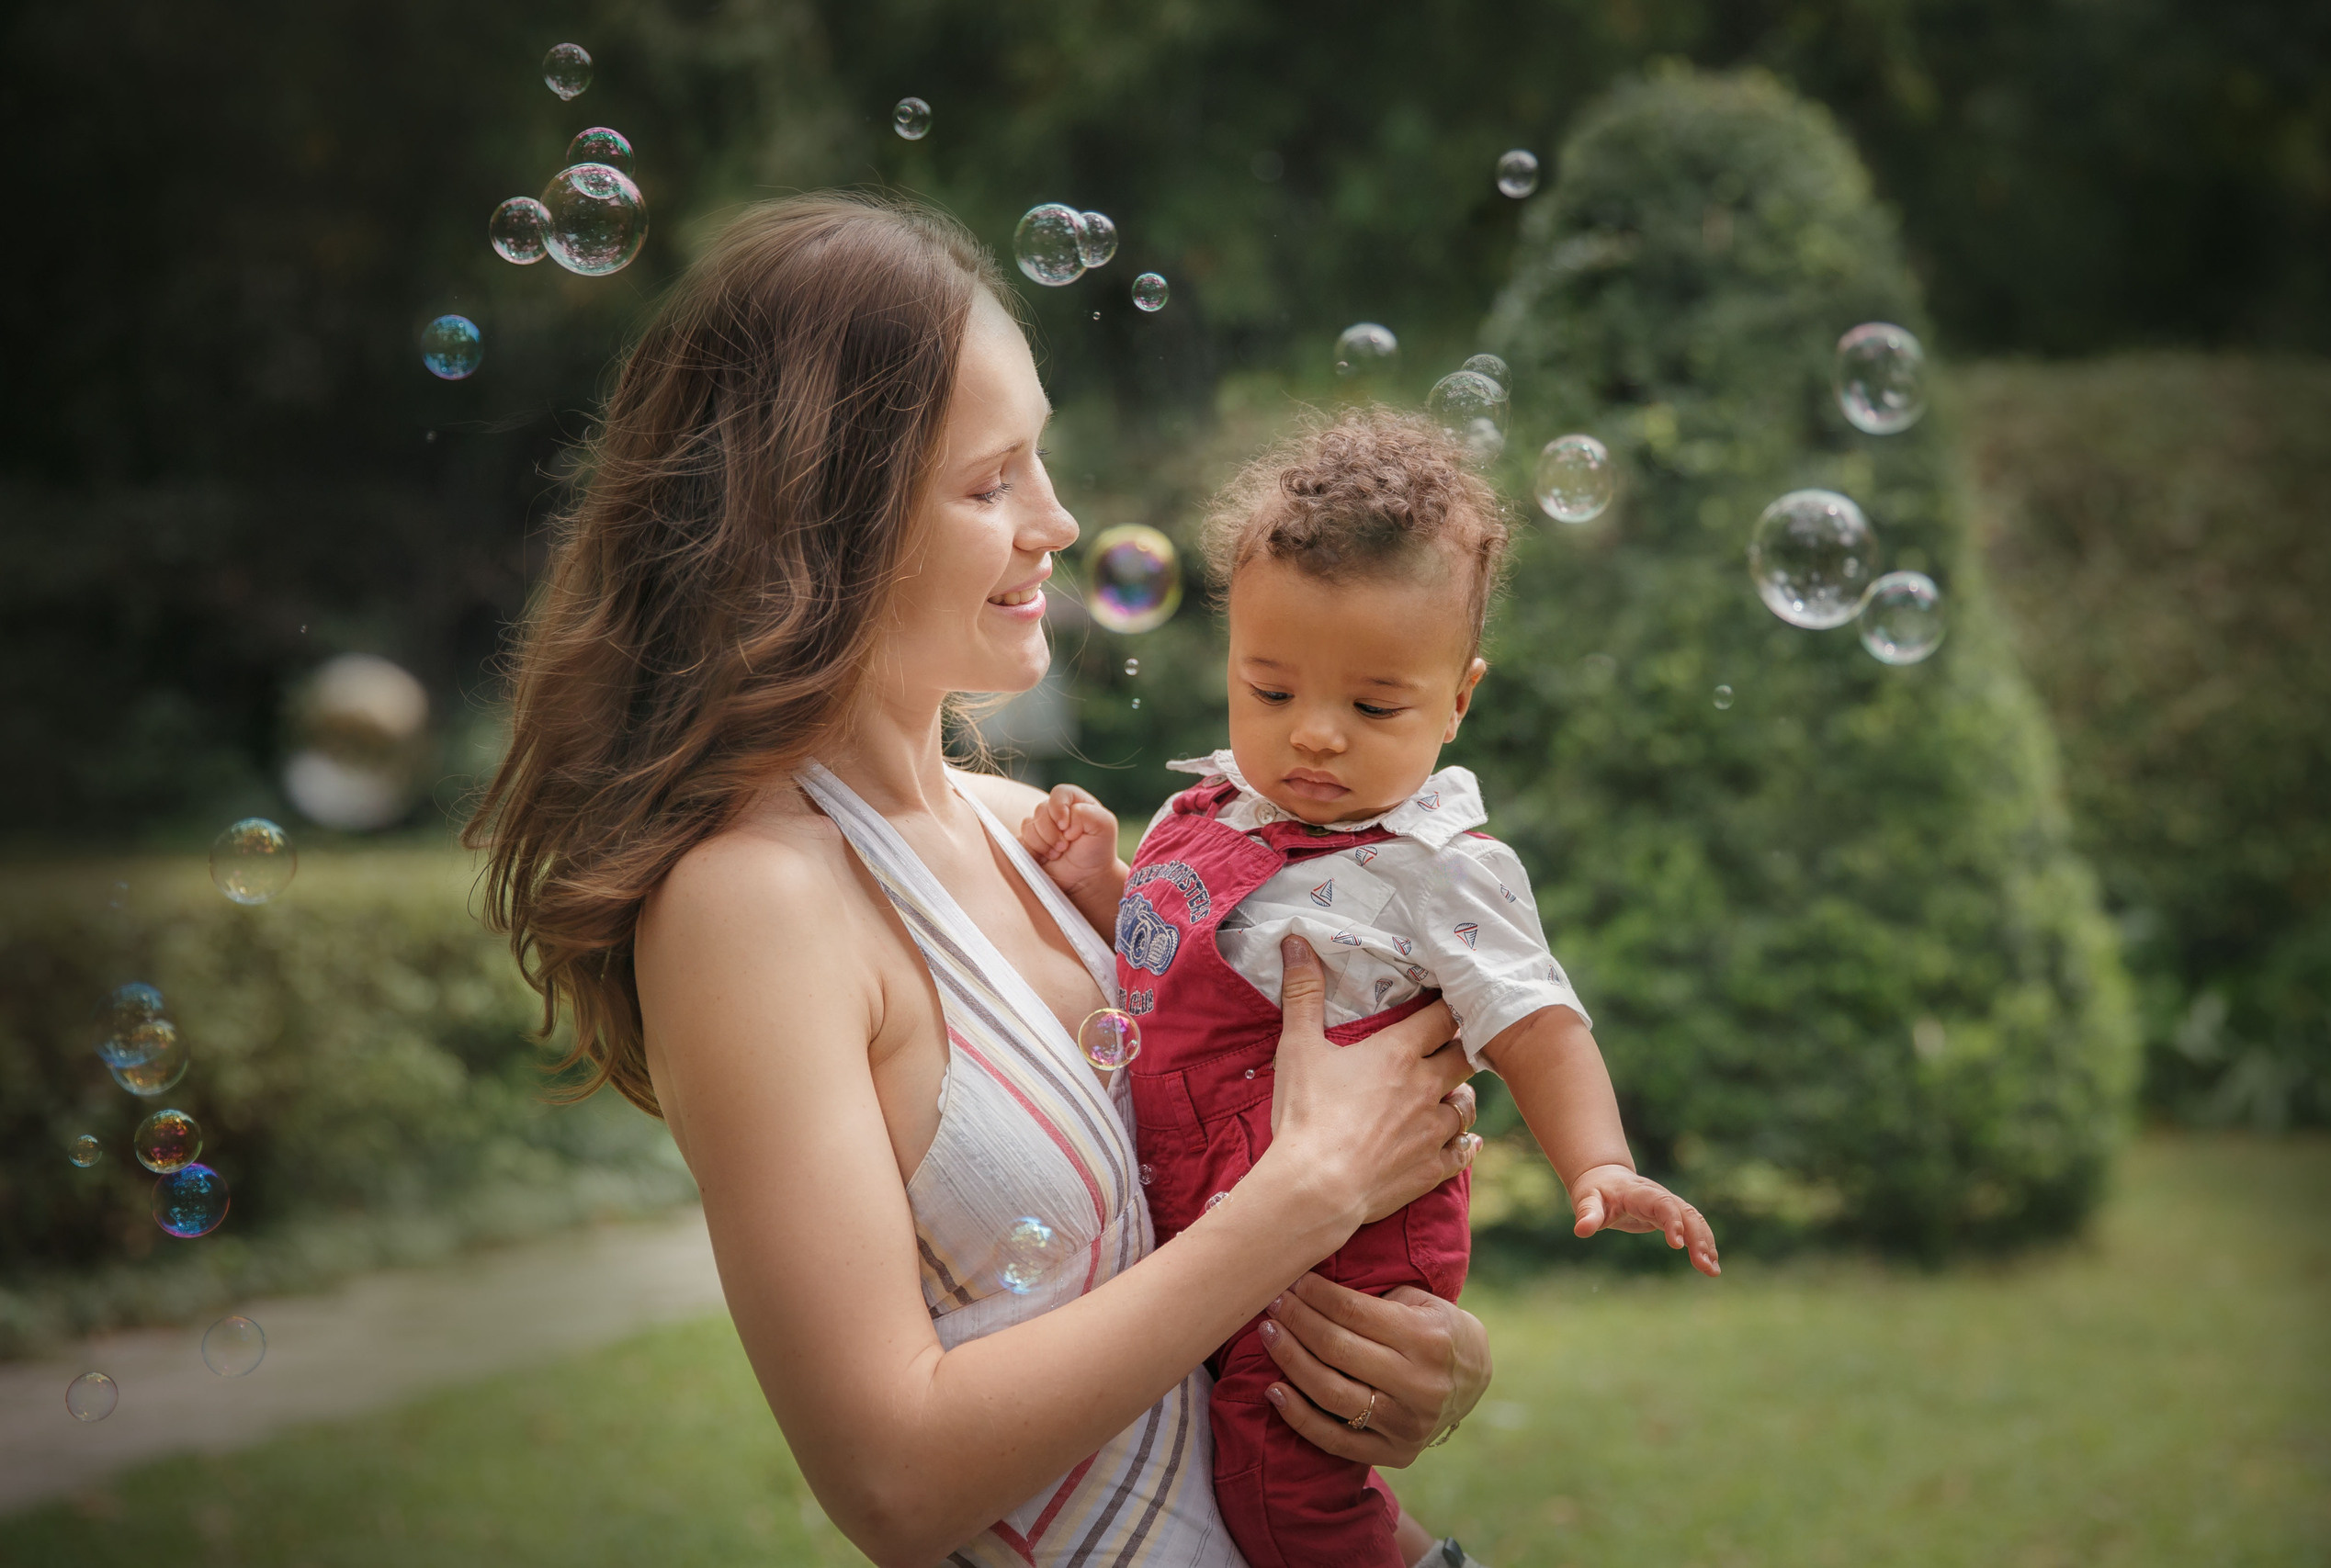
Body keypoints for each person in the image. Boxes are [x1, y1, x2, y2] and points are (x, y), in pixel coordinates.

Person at [468, 193, 1495, 1568]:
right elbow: (892, 1479)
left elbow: (1236, 1230)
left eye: (1043, 461)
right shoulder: (752, 902)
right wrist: (1302, 1195)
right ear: (819, 523)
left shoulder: (1038, 834)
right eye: (989, 481)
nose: (1057, 521)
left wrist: (1417, 1347)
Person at [1019, 409, 1720, 1568]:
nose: (1318, 738)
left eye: (1377, 706)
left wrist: (1599, 1161)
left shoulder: (1436, 864)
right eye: (1272, 690)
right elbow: (1159, 964)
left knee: (1277, 1477)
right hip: (1213, 1214)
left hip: (1343, 1255)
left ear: (1458, 701)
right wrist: (1102, 881)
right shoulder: (1209, 816)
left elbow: (1534, 1017)